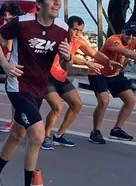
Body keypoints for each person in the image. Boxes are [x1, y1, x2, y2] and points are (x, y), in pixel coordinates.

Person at [0, 0, 72, 186]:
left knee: (17, 134)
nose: (57, 2)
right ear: (39, 5)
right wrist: (6, 66)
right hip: (18, 85)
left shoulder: (62, 29)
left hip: (39, 88)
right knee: (38, 135)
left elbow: (67, 65)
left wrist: (68, 58)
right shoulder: (22, 23)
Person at [41, 15, 122, 150]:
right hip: (47, 77)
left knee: (77, 104)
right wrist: (86, 63)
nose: (77, 33)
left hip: (60, 77)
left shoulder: (78, 40)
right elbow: (68, 58)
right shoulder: (59, 38)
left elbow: (94, 54)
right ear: (68, 28)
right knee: (57, 107)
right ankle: (46, 137)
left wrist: (108, 61)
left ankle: (59, 135)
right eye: (74, 29)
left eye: (80, 31)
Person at [88, 21, 136, 144]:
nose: (130, 37)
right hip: (98, 73)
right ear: (123, 32)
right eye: (128, 33)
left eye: (134, 35)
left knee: (131, 100)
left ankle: (117, 129)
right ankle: (95, 132)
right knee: (104, 101)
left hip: (115, 74)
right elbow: (126, 53)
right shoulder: (113, 40)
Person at [0, 3, 26, 133]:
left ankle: (16, 122)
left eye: (6, 18)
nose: (5, 20)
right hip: (27, 64)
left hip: (14, 64)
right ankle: (17, 122)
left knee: (15, 93)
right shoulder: (26, 22)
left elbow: (8, 46)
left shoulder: (13, 26)